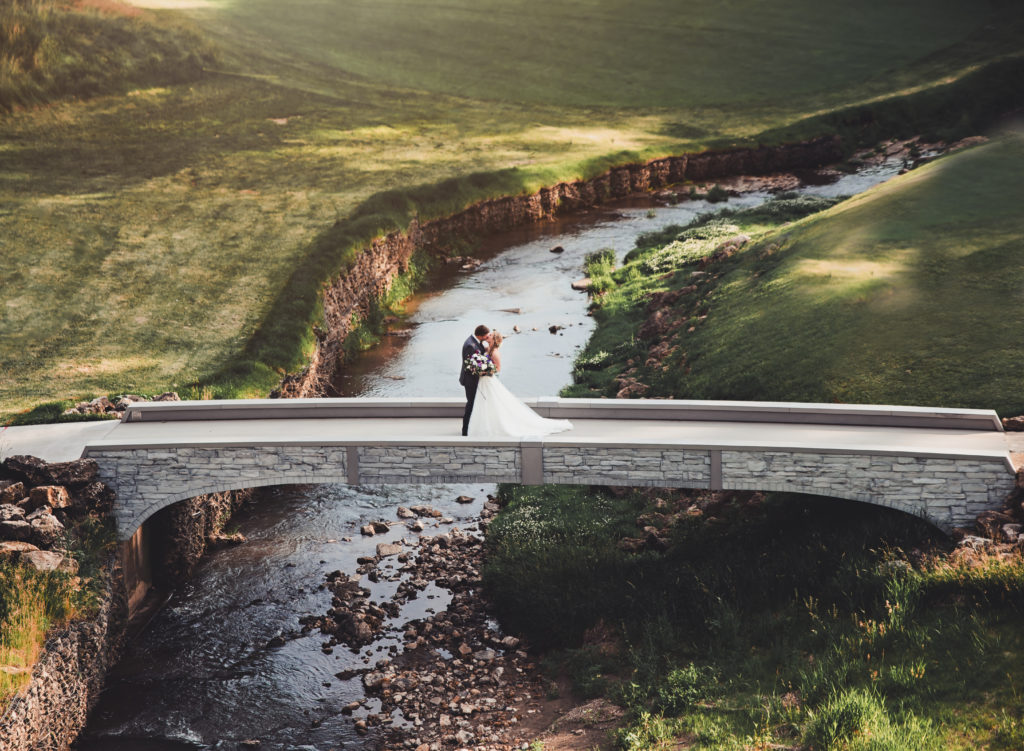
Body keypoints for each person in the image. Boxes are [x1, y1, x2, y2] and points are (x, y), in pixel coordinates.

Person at [467, 331, 572, 438]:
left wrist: (484, 371)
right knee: (486, 404)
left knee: (492, 403)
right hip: (484, 381)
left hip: (488, 380)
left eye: (490, 335)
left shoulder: (494, 352)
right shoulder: (488, 349)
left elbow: (498, 368)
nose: (487, 336)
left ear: (493, 339)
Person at [460, 324, 491, 436]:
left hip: (474, 379)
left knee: (474, 404)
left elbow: (480, 354)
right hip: (470, 380)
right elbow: (470, 366)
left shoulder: (475, 342)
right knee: (471, 404)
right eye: (486, 336)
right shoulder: (470, 345)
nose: (487, 338)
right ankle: (465, 430)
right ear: (480, 335)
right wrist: (485, 370)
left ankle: (473, 427)